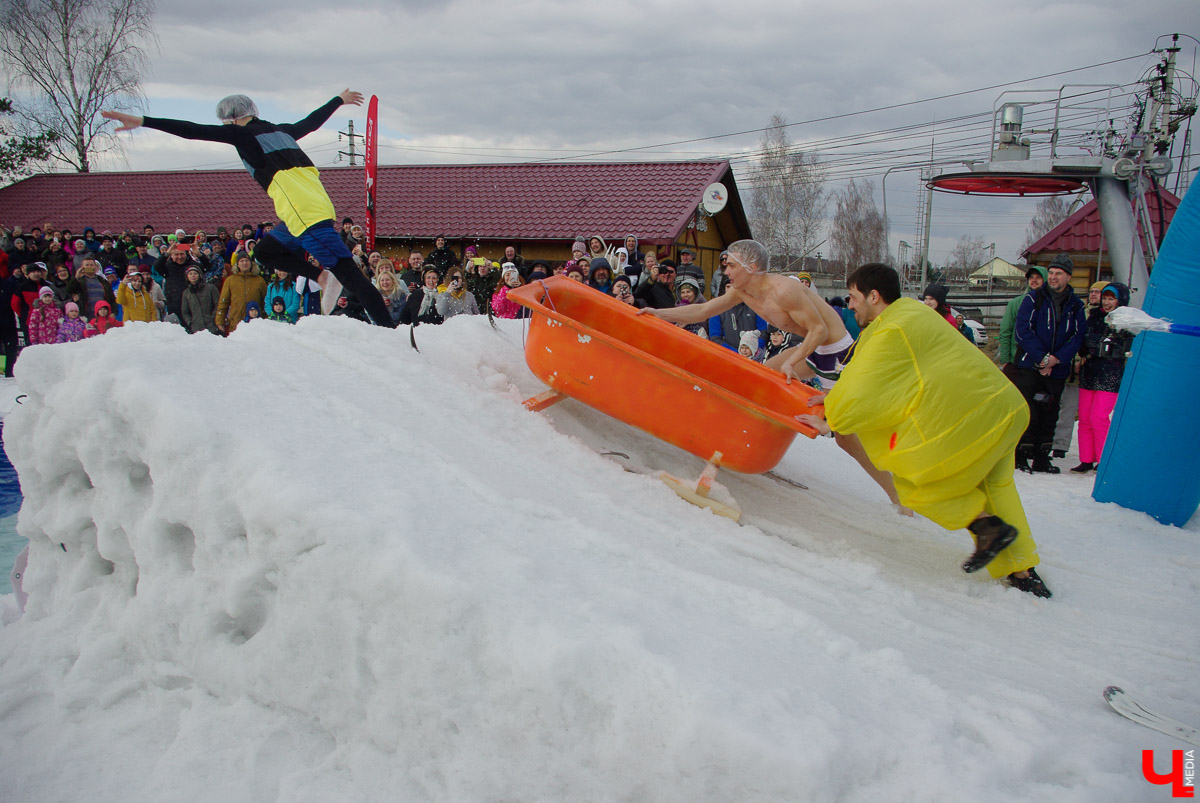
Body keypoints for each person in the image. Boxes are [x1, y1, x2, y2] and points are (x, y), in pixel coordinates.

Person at [796, 263, 1051, 598]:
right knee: (997, 487)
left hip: (977, 419)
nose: (850, 303)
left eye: (854, 296)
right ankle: (1023, 571)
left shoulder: (892, 329)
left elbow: (861, 387)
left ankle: (983, 525)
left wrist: (832, 420)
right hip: (1005, 407)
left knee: (915, 483)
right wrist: (835, 399)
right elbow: (879, 378)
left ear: (874, 296)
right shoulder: (914, 313)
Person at [641, 239, 905, 512]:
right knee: (761, 378)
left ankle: (898, 495)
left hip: (834, 352)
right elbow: (703, 310)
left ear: (752, 267)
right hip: (813, 347)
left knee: (844, 439)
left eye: (731, 266)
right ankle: (736, 446)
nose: (726, 271)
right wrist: (658, 313)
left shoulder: (784, 290)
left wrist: (793, 360)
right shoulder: (742, 291)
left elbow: (820, 331)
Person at [102, 89, 396, 328]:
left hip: (303, 215)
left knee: (350, 275)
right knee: (266, 251)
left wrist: (142, 120)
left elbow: (192, 130)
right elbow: (310, 122)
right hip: (312, 207)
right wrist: (338, 100)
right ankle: (320, 276)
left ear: (231, 119)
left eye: (225, 123)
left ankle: (389, 332)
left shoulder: (243, 135)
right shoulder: (281, 131)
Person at [1012, 253, 1086, 474]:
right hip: (1030, 366)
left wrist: (1056, 359)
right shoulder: (1033, 299)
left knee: (1050, 413)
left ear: (1068, 277)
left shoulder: (1075, 305)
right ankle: (1021, 455)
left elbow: (1077, 336)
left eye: (1058, 273)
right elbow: (1023, 331)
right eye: (1051, 273)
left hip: (1057, 369)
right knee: (1028, 411)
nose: (1053, 277)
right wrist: (1042, 358)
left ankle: (1042, 456)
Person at [1073, 282, 1132, 473]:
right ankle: (1086, 459)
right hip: (1090, 371)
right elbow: (1084, 340)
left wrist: (1099, 346)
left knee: (1098, 417)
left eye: (1111, 299)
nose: (1107, 303)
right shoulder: (1094, 317)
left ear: (1120, 300)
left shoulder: (1126, 321)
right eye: (1105, 298)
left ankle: (1103, 459)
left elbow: (1121, 346)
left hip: (1110, 374)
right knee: (1084, 418)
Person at [996, 265, 1047, 375]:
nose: (1034, 280)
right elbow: (1005, 331)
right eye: (1031, 277)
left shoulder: (1050, 304)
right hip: (1017, 361)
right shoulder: (1015, 304)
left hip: (1043, 362)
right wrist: (1005, 360)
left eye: (1038, 277)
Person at [215, 251, 267, 334]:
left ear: (251, 263)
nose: (244, 263)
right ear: (237, 264)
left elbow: (265, 302)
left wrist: (266, 319)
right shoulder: (230, 280)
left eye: (247, 261)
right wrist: (219, 321)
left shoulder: (259, 280)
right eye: (241, 261)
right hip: (236, 323)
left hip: (255, 324)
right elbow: (223, 302)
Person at [180, 265, 221, 334]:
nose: (193, 276)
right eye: (190, 274)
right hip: (196, 328)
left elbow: (218, 304)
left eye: (195, 273)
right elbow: (185, 311)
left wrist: (213, 318)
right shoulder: (186, 293)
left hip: (212, 326)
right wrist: (190, 322)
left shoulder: (210, 288)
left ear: (200, 275)